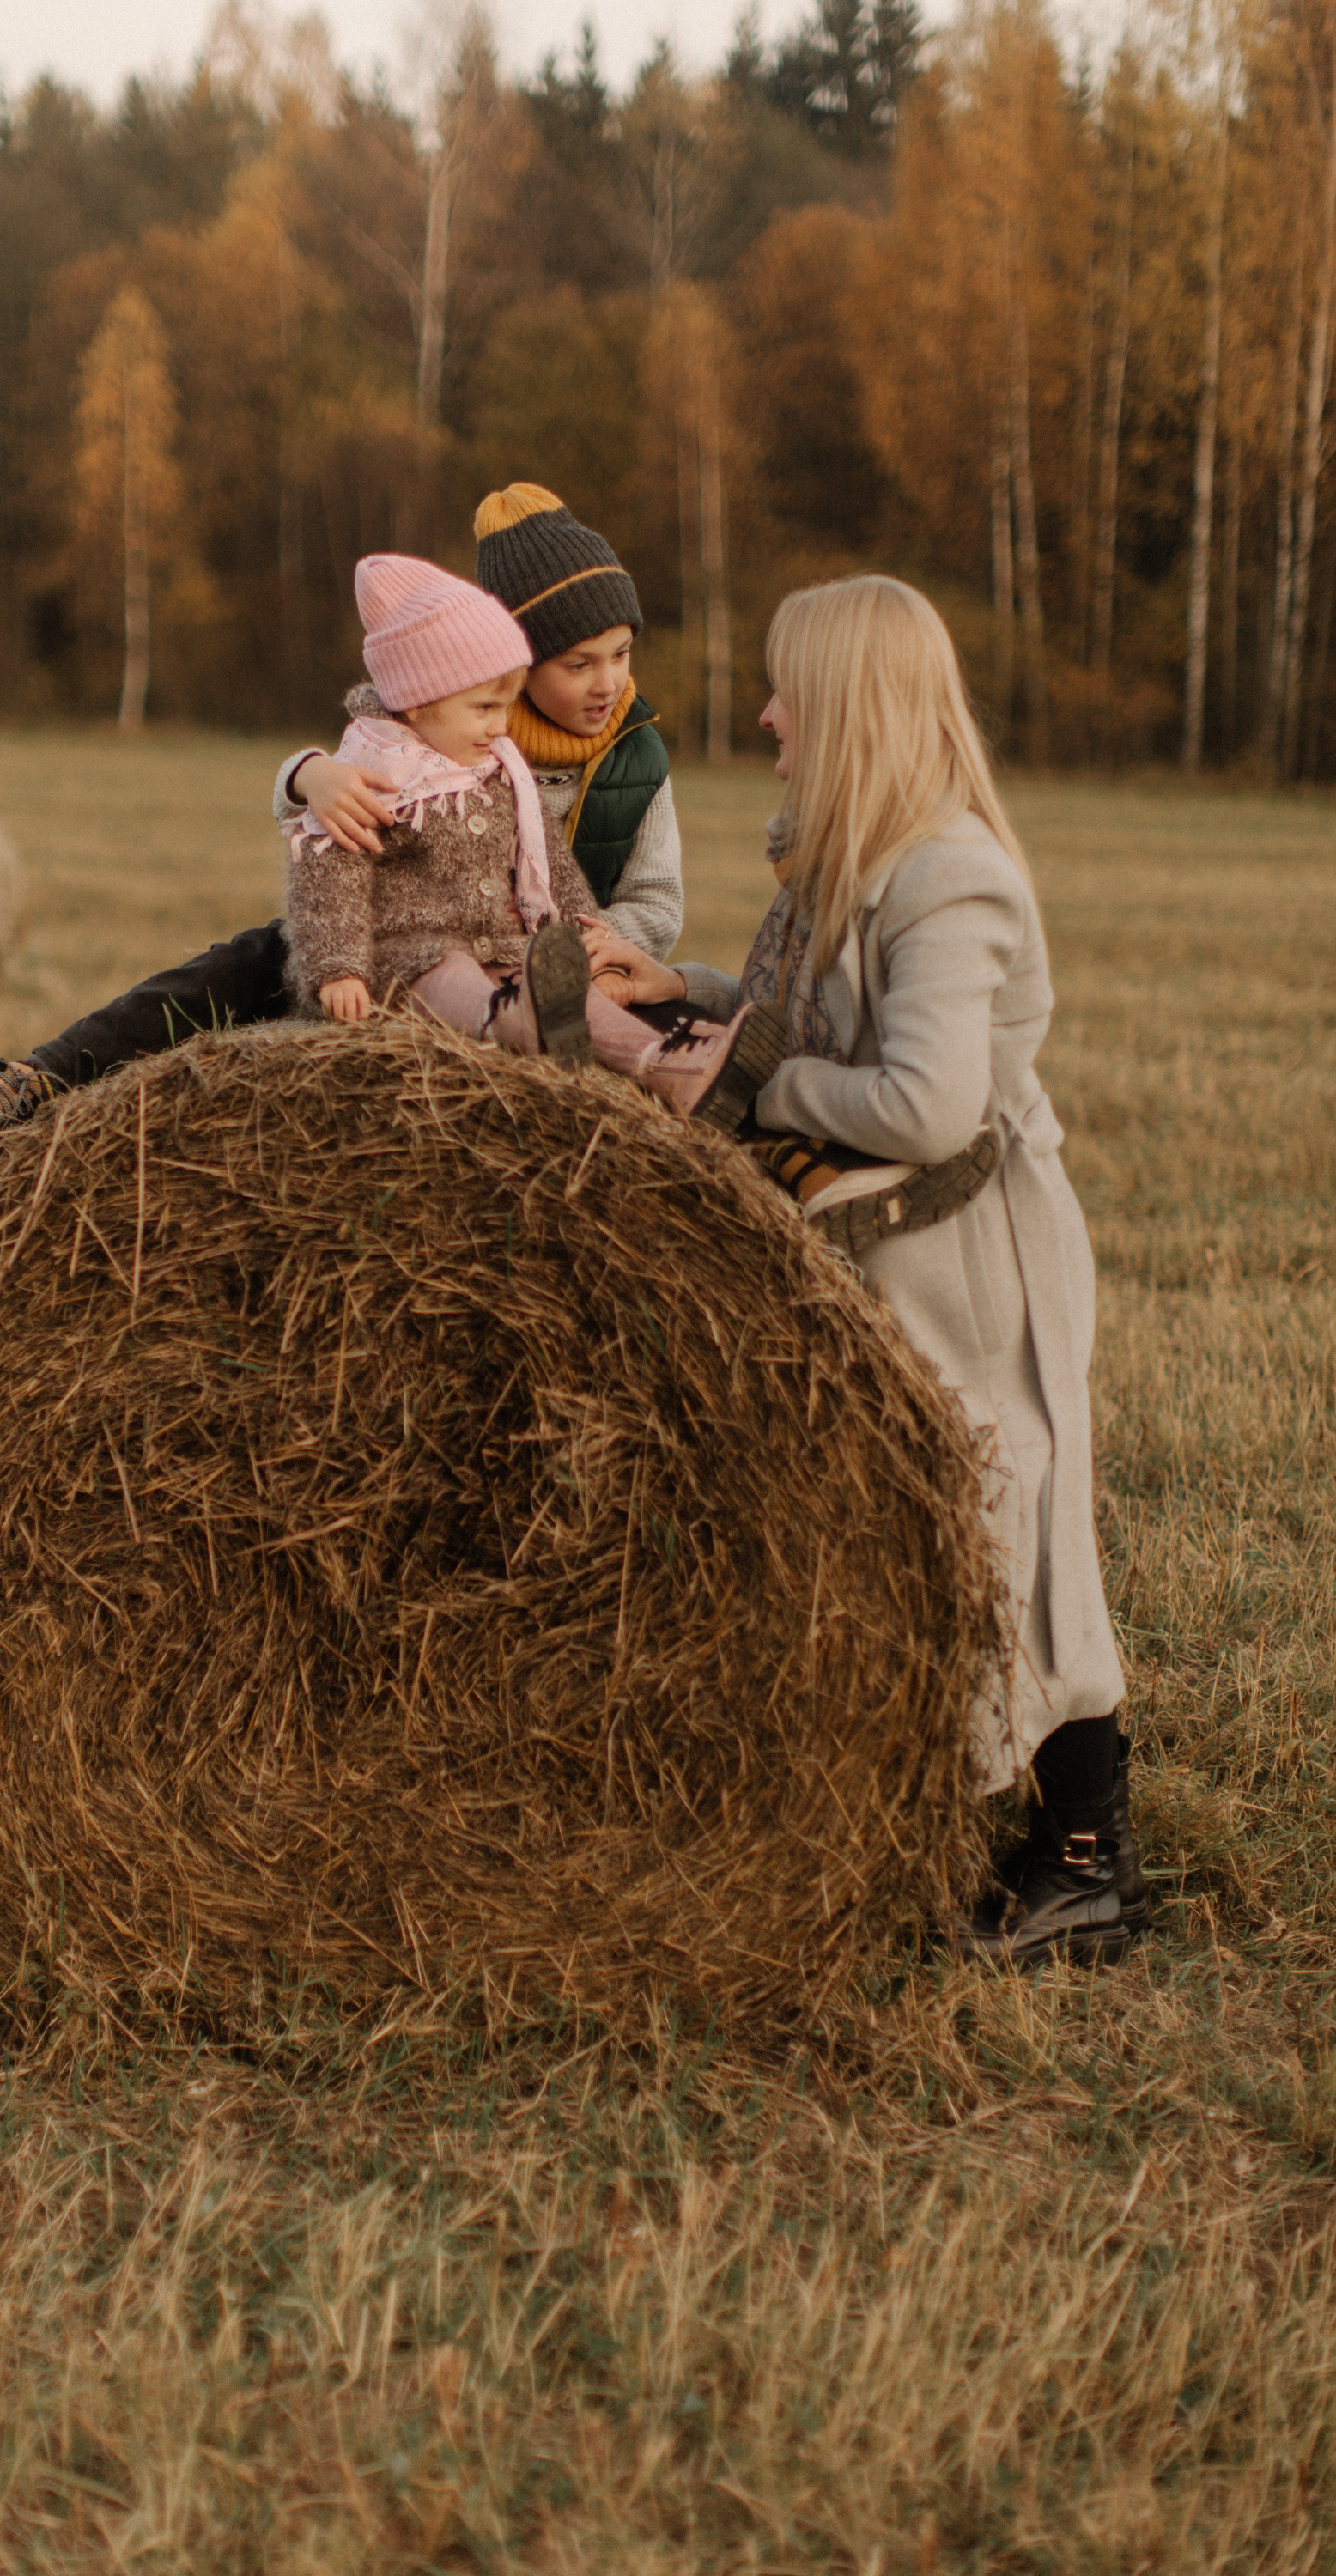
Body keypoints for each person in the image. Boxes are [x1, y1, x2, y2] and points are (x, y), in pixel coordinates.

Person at [585, 574, 1144, 1969]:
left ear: (850, 708)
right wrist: (692, 995)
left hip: (980, 1259)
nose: (767, 715)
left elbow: (924, 1105)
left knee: (1017, 1535)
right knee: (942, 1529)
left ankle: (1086, 1864)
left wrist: (753, 1082)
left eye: (789, 692)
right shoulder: (848, 856)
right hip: (900, 1250)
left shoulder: (950, 872)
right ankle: (1001, 1831)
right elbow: (805, 1019)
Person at [0, 485, 687, 1163]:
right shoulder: (445, 723)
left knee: (686, 1028)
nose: (608, 682)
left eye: (621, 654)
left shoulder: (635, 759)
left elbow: (657, 903)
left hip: (562, 966)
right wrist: (307, 774)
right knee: (244, 961)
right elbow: (334, 793)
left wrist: (601, 957)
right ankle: (35, 1083)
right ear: (509, 666)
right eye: (578, 663)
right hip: (396, 946)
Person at [289, 551, 774, 1127]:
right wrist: (338, 970)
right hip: (409, 958)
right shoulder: (369, 774)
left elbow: (547, 859)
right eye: (485, 707)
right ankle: (509, 1023)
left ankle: (671, 1066)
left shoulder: (500, 769)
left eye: (508, 704)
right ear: (417, 701)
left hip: (504, 946)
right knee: (453, 978)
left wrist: (580, 938)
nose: (501, 724)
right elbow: (327, 883)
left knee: (579, 999)